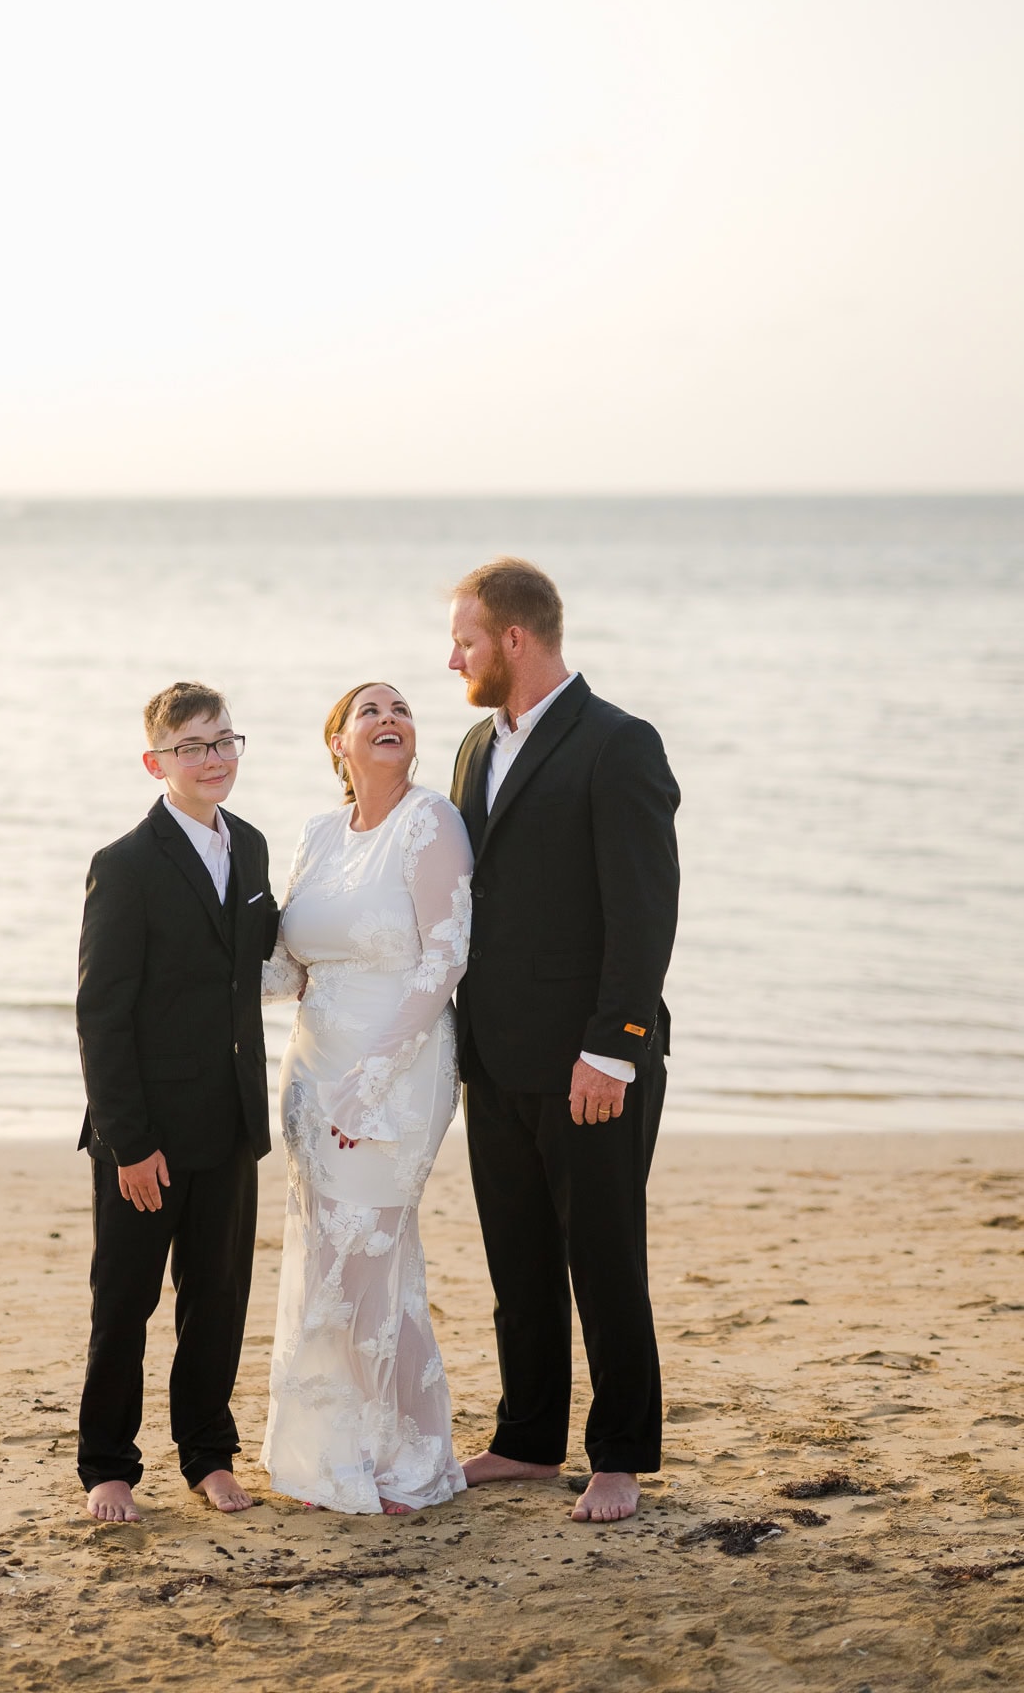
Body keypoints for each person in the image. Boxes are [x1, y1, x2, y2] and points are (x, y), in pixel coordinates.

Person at [447, 558, 680, 1524]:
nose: (450, 655)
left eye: (463, 638)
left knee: (603, 1255)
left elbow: (644, 909)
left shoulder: (617, 743)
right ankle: (528, 1438)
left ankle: (621, 1451)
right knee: (519, 1260)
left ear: (513, 640)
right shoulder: (473, 746)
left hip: (592, 1060)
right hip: (492, 1055)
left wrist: (614, 1046)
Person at [260, 682, 472, 1515]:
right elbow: (287, 966)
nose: (389, 719)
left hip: (398, 1073)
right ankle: (351, 1453)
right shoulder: (317, 835)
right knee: (337, 1266)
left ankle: (405, 1462)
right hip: (313, 1073)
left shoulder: (431, 822)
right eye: (368, 712)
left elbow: (444, 961)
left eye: (401, 710)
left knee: (364, 1261)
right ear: (336, 744)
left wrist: (369, 1084)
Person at [73, 680, 279, 1524]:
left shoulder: (254, 847)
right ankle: (107, 1466)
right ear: (157, 761)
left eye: (225, 740)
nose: (215, 759)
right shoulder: (123, 866)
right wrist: (128, 1143)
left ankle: (207, 1454)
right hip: (145, 1134)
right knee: (125, 1301)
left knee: (219, 1297)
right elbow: (101, 1013)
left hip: (230, 1123)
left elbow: (261, 962)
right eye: (194, 747)